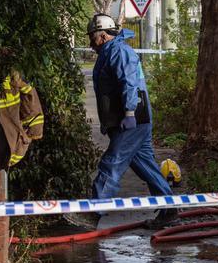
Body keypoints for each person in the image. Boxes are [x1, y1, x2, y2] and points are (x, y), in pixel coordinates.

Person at [65, 13, 178, 229]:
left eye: (92, 37)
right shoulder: (109, 51)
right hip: (130, 120)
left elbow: (129, 83)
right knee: (145, 165)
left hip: (132, 120)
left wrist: (128, 113)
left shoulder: (117, 51)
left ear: (104, 36)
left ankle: (94, 213)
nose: (90, 43)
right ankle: (169, 209)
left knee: (112, 163)